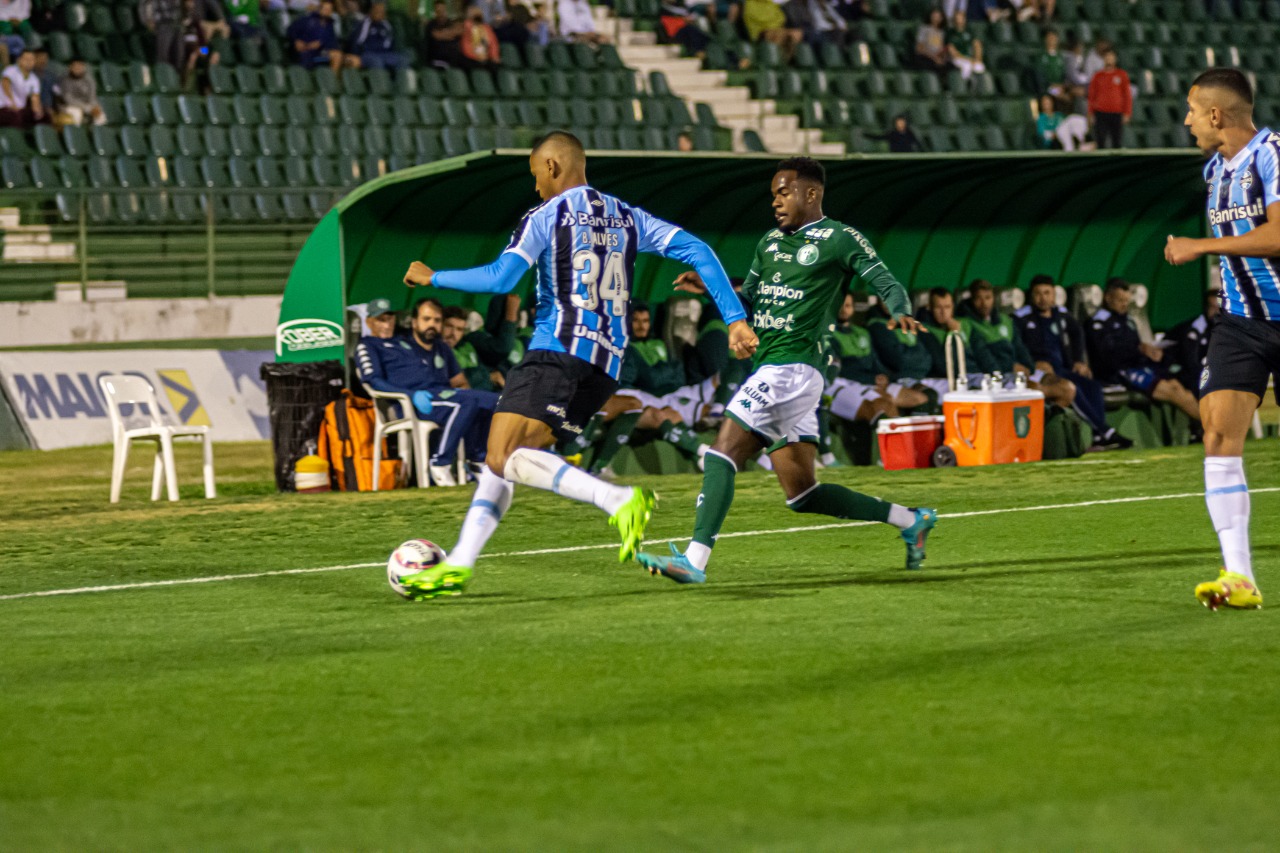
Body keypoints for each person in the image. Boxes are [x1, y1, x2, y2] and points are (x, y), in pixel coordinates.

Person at [394, 131, 751, 599]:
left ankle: (616, 498)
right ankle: (459, 563)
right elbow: (700, 251)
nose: (536, 187)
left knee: (503, 454)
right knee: (506, 460)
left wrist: (432, 276)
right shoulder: (626, 215)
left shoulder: (546, 215)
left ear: (552, 167)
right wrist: (736, 319)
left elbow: (502, 278)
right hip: (605, 367)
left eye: (535, 175)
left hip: (557, 350)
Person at [636, 157, 939, 585]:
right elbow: (754, 295)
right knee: (803, 493)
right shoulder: (768, 243)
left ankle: (694, 559)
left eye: (784, 192)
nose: (776, 202)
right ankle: (910, 519)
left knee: (723, 448)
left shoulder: (839, 237)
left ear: (810, 194)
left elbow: (883, 279)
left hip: (792, 368)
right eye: (773, 194)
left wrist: (901, 310)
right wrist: (711, 287)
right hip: (774, 366)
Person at [1164, 67, 1279, 610]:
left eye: (1191, 110)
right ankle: (1239, 576)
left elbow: (1278, 236)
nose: (1186, 121)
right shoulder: (1214, 169)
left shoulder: (1272, 153)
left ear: (1216, 114)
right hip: (1239, 324)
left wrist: (1199, 247)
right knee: (1216, 435)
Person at [356, 297, 499, 487]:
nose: (386, 324)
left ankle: (478, 459)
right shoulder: (368, 345)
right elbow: (374, 381)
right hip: (410, 403)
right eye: (380, 319)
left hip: (438, 394)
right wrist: (409, 395)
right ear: (369, 322)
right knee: (466, 403)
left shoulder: (402, 342)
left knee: (495, 401)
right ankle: (440, 462)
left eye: (389, 318)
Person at [1014, 274, 1130, 449]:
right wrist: (1031, 364)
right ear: (1031, 296)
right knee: (1070, 387)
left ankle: (1098, 436)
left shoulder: (1060, 314)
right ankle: (1103, 431)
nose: (1043, 298)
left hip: (1060, 368)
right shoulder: (1021, 318)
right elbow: (1015, 345)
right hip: (1038, 371)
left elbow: (1077, 333)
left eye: (1047, 293)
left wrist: (1078, 361)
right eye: (1038, 293)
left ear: (1054, 295)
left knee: (1093, 386)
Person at [1085, 277, 1202, 421]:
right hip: (1119, 372)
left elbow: (1136, 347)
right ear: (1108, 298)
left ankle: (1209, 426)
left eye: (1126, 301)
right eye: (1120, 300)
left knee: (1177, 385)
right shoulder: (1099, 323)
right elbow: (1107, 356)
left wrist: (1151, 353)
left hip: (1139, 366)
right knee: (1172, 391)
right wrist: (1139, 350)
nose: (1124, 305)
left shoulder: (1128, 321)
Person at [958, 278, 1077, 409]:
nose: (984, 303)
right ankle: (1040, 421)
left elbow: (1020, 347)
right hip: (999, 377)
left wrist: (1029, 366)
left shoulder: (1004, 320)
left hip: (1019, 373)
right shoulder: (966, 324)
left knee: (1067, 388)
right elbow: (984, 358)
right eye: (978, 299)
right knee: (1035, 391)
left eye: (988, 298)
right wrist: (1011, 367)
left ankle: (1049, 420)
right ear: (972, 300)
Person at [1166, 290, 1220, 396]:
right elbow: (1191, 364)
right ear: (1205, 307)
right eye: (1212, 307)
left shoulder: (1218, 329)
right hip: (1177, 370)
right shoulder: (1195, 329)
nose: (1217, 312)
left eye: (1219, 308)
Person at [1088, 48, 1130, 150]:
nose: (1109, 59)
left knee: (1117, 142)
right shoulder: (1097, 76)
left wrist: (1127, 113)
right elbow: (1092, 96)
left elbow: (1127, 96)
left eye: (1111, 57)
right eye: (1107, 57)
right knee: (1100, 141)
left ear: (1115, 59)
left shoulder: (1122, 75)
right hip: (1101, 113)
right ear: (1103, 59)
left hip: (1116, 113)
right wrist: (1090, 113)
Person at [345, 1, 405, 70]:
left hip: (384, 54)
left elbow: (390, 44)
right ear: (371, 11)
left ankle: (402, 81)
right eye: (377, 10)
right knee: (376, 61)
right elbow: (356, 42)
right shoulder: (364, 24)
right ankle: (381, 81)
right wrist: (355, 55)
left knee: (402, 60)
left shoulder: (387, 25)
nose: (379, 13)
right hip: (367, 54)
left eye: (381, 11)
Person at [286, 0, 341, 71]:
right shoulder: (306, 20)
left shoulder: (330, 26)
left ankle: (332, 80)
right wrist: (296, 41)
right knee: (305, 55)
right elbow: (291, 30)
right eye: (325, 9)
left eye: (329, 10)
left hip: (319, 53)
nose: (326, 11)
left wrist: (321, 44)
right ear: (320, 9)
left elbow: (332, 42)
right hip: (303, 50)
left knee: (337, 55)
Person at [54, 56, 105, 126]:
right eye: (75, 66)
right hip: (67, 106)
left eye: (80, 66)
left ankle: (98, 134)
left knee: (100, 114)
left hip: (86, 106)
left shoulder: (89, 80)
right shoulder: (64, 80)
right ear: (70, 67)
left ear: (84, 67)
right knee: (77, 113)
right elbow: (69, 100)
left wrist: (94, 107)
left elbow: (92, 97)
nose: (77, 68)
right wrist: (88, 108)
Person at [0, 49, 42, 127]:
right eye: (26, 59)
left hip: (20, 110)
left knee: (44, 117)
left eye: (32, 59)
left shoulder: (34, 79)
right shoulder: (10, 70)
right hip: (4, 107)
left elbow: (35, 98)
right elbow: (5, 86)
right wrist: (12, 103)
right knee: (15, 116)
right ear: (19, 60)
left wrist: (37, 112)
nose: (29, 62)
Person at [945, 9, 984, 84]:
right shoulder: (950, 33)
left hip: (971, 58)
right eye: (957, 18)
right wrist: (969, 60)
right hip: (956, 59)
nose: (959, 21)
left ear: (964, 19)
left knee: (980, 67)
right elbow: (952, 51)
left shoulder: (970, 31)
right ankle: (964, 87)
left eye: (961, 18)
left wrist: (977, 59)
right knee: (966, 66)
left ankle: (978, 90)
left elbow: (977, 46)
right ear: (954, 20)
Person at [913, 8, 950, 79]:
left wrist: (943, 57)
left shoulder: (941, 32)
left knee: (950, 66)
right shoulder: (924, 29)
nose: (936, 18)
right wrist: (934, 58)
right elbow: (919, 48)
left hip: (937, 57)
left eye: (938, 16)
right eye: (934, 16)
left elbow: (941, 48)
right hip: (925, 57)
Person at [459, 4, 500, 68]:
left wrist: (494, 56)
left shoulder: (487, 28)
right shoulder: (466, 28)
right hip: (472, 59)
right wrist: (477, 57)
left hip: (487, 58)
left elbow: (493, 43)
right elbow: (466, 47)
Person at [426, 0, 465, 66]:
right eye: (438, 11)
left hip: (454, 61)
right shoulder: (431, 24)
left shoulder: (451, 23)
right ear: (435, 11)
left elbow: (459, 32)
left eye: (442, 10)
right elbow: (436, 35)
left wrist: (444, 33)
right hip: (436, 60)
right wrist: (450, 33)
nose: (440, 13)